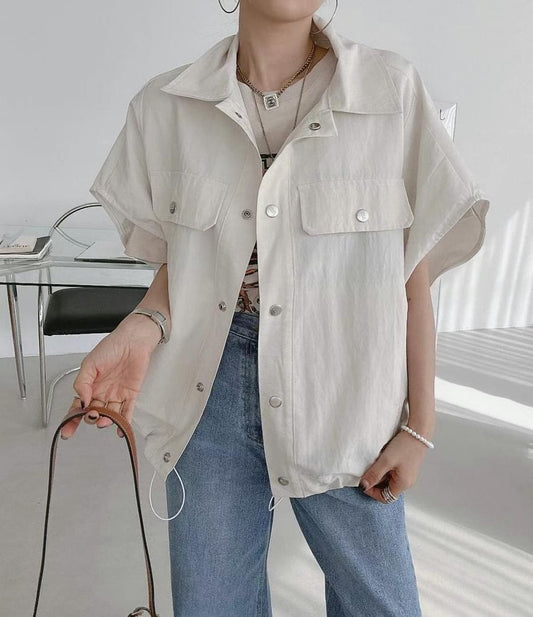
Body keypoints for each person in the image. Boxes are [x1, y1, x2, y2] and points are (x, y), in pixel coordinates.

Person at [61, 1, 490, 615]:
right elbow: (183, 267)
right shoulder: (166, 107)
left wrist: (420, 426)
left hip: (345, 387)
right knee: (213, 605)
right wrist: (143, 324)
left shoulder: (389, 91)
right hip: (206, 390)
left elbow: (410, 276)